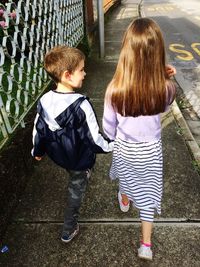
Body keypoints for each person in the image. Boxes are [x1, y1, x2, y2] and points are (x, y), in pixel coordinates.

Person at [102, 18, 176, 261]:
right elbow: (166, 104)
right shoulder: (165, 88)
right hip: (151, 151)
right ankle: (146, 245)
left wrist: (113, 138)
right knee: (148, 194)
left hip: (125, 148)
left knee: (126, 176)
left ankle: (124, 197)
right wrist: (166, 78)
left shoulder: (115, 89)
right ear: (158, 53)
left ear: (126, 51)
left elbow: (108, 126)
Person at [32, 45, 113, 243]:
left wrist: (38, 150)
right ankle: (69, 228)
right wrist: (115, 145)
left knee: (74, 174)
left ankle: (82, 173)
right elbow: (95, 141)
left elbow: (39, 130)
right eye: (81, 70)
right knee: (76, 190)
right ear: (68, 75)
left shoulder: (44, 100)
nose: (85, 73)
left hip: (60, 156)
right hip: (79, 160)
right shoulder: (81, 104)